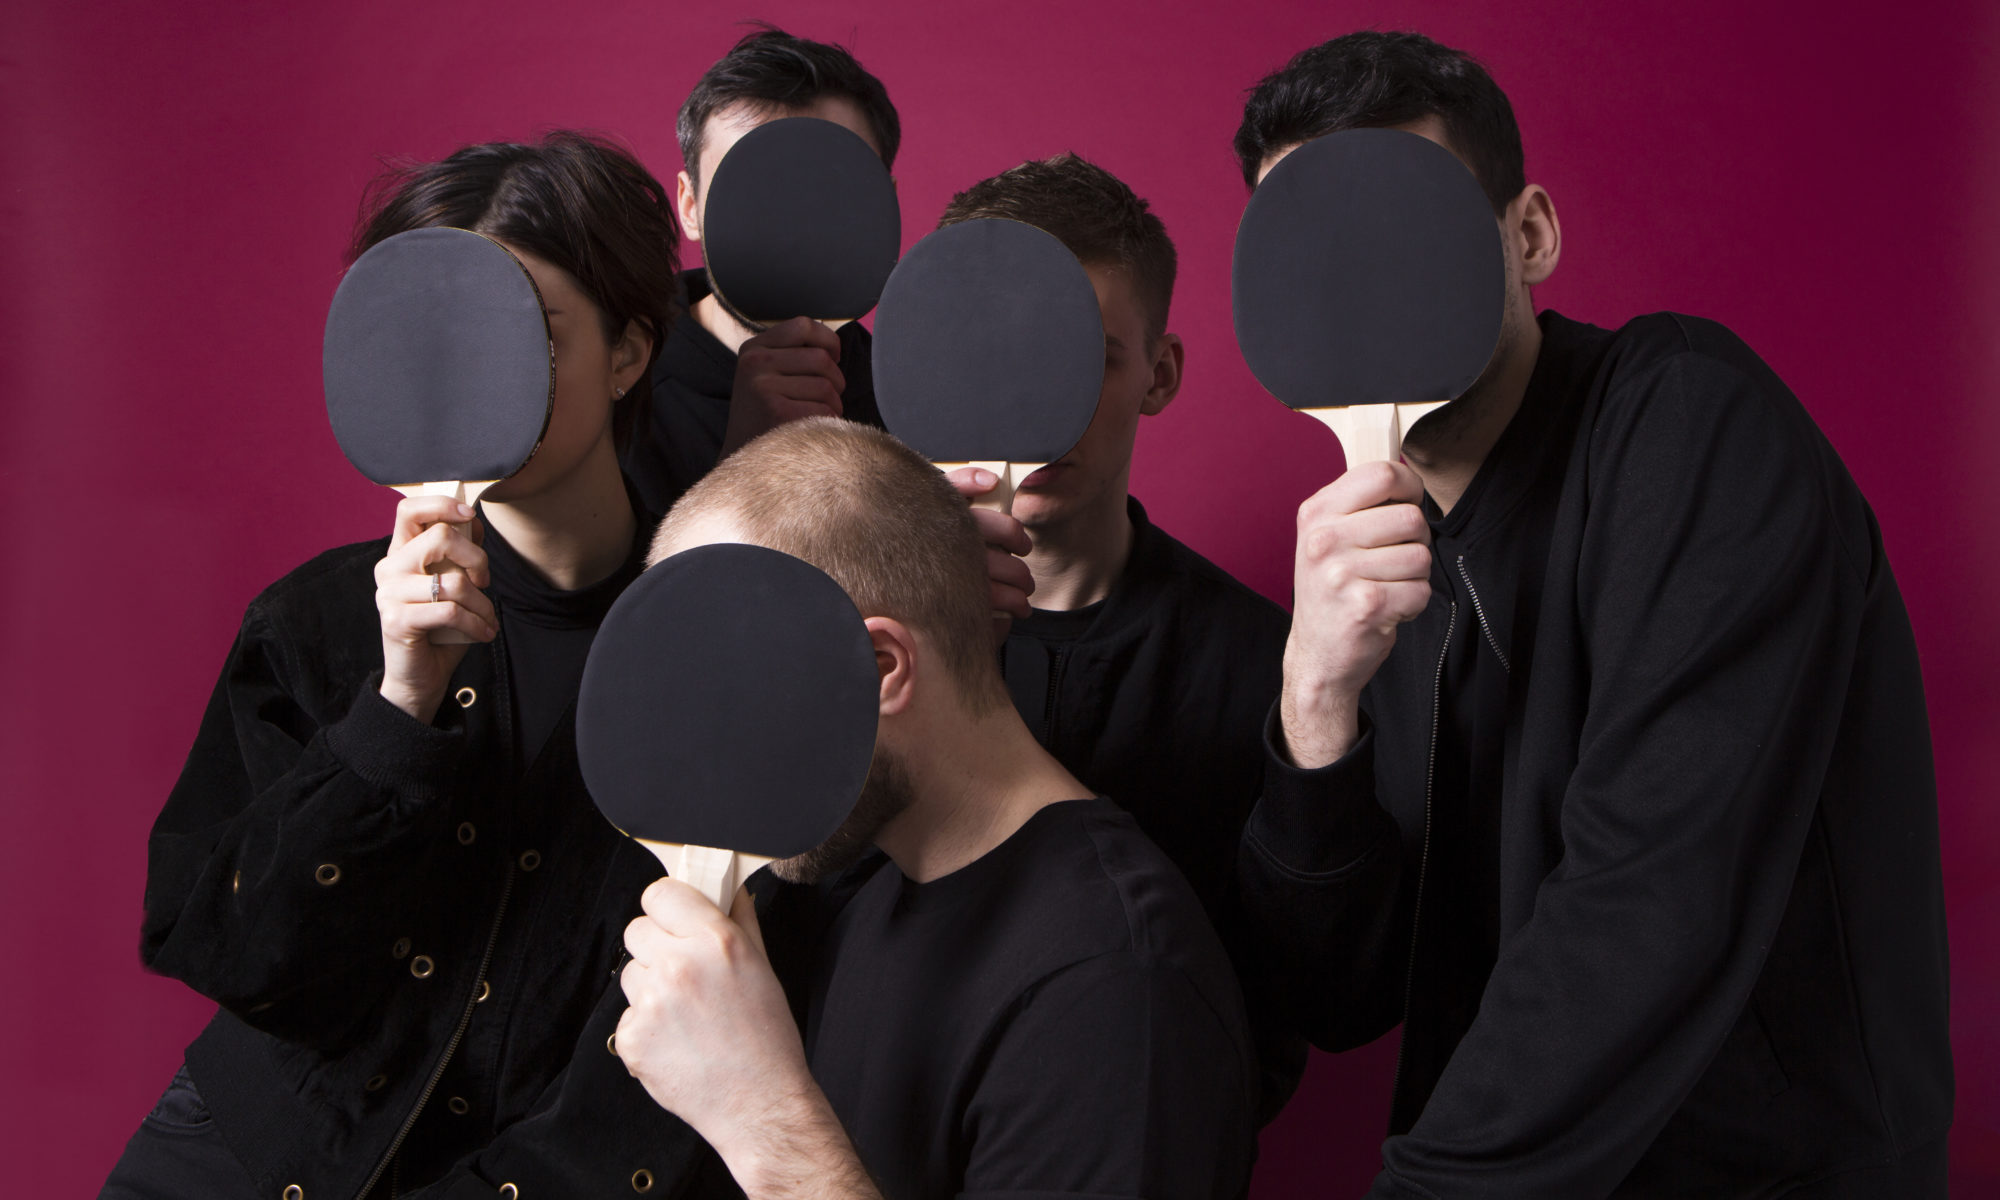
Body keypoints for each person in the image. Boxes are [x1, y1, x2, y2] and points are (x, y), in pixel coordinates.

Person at [1231, 31, 1952, 1197]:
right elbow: (1337, 993)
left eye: (1405, 226)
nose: (1362, 279)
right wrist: (1313, 701)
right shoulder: (1377, 567)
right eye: (1316, 249)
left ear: (1528, 236)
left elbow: (1654, 901)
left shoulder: (1691, 428)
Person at [106, 132, 716, 1199]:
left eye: (526, 332)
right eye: (441, 334)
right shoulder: (315, 619)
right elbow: (229, 956)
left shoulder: (714, 651)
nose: (478, 366)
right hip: (240, 1157)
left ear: (627, 352)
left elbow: (673, 1067)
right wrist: (396, 709)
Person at [613, 416, 1259, 1200]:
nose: (710, 744)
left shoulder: (1118, 994)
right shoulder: (869, 886)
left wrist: (761, 1117)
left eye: (735, 684)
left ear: (880, 666)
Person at [934, 155, 1308, 1120]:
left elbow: (1296, 998)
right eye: (1005, 350)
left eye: (1090, 357)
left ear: (1160, 374)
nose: (1043, 402)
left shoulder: (1267, 665)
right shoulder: (876, 635)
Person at [623, 26, 899, 513]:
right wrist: (743, 466)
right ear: (690, 205)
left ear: (884, 206)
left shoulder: (912, 399)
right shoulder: (614, 386)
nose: (794, 221)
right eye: (749, 191)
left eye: (831, 188)